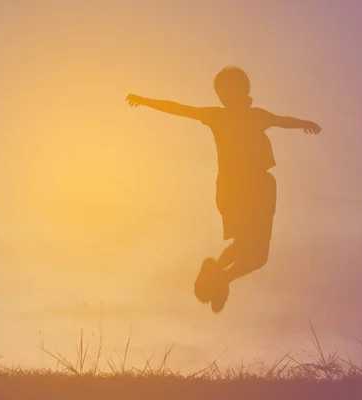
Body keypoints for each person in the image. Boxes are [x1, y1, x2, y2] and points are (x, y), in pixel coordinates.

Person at [126, 67, 321, 313]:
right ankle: (217, 274)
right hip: (235, 187)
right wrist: (144, 101)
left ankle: (220, 278)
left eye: (229, 91)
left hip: (262, 187)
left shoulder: (257, 116)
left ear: (243, 90)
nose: (224, 97)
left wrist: (305, 123)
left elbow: (283, 122)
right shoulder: (217, 116)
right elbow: (179, 109)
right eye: (221, 93)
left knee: (258, 258)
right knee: (244, 244)